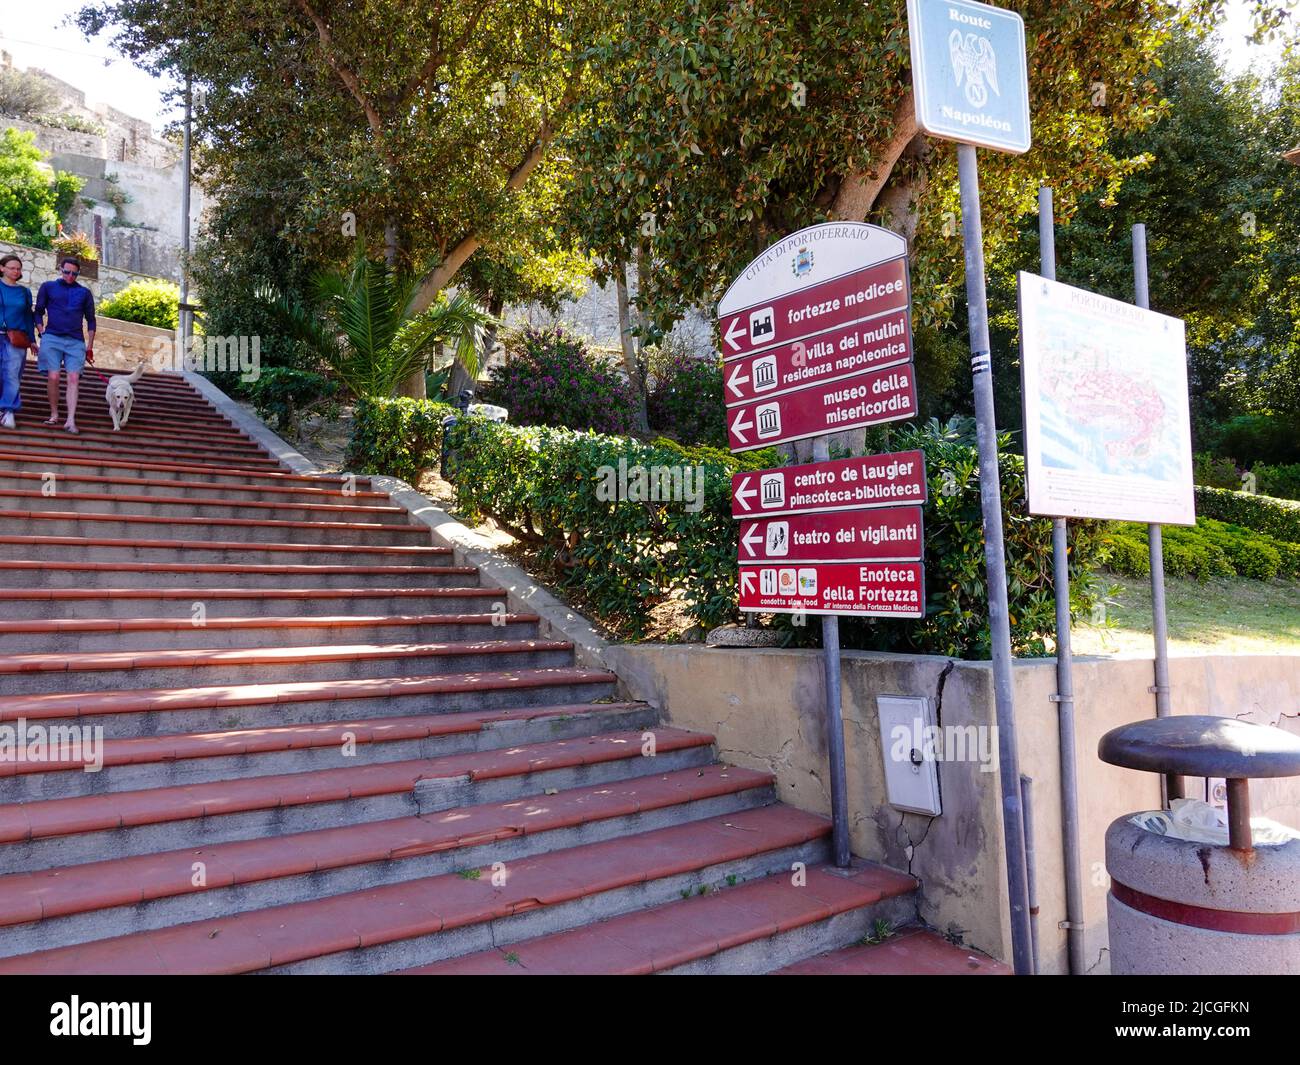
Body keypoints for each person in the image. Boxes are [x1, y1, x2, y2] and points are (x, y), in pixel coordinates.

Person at [34, 256, 96, 434]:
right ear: (60, 270)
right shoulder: (48, 287)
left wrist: (90, 346)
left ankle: (70, 420)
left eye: (74, 273)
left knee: (74, 378)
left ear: (78, 274)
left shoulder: (84, 293)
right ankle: (54, 414)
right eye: (67, 272)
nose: (70, 276)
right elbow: (38, 312)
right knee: (53, 376)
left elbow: (91, 320)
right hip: (52, 337)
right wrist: (42, 332)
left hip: (75, 341)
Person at [0, 253, 39, 430]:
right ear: (2, 268)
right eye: (12, 268)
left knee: (12, 374)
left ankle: (8, 410)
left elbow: (28, 317)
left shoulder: (24, 292)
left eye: (18, 268)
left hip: (15, 338)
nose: (16, 271)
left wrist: (31, 340)